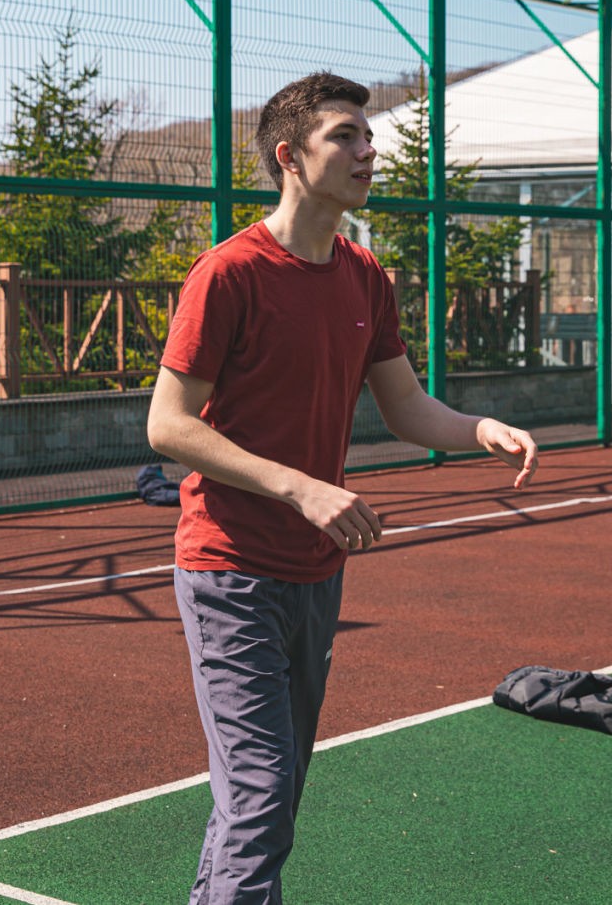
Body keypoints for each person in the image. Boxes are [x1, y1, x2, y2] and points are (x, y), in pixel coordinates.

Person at [147, 72, 539, 904]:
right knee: (259, 795)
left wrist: (480, 429)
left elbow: (406, 407)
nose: (368, 150)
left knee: (270, 791)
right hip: (229, 569)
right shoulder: (228, 273)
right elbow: (169, 426)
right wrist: (301, 488)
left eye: (368, 136)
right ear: (290, 157)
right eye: (346, 136)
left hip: (316, 571)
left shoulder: (365, 276)